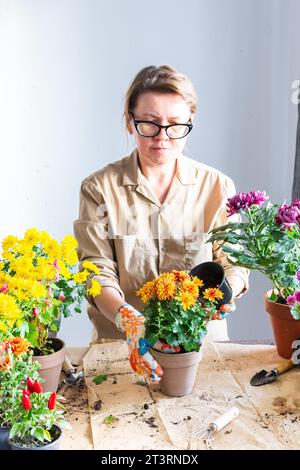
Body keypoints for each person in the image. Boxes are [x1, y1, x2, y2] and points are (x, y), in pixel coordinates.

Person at [74, 65, 249, 382]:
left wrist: (224, 295)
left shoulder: (217, 187)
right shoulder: (99, 188)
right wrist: (130, 321)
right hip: (121, 349)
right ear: (130, 122)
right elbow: (96, 270)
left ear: (190, 122)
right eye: (149, 125)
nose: (162, 137)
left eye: (174, 125)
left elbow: (235, 263)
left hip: (200, 347)